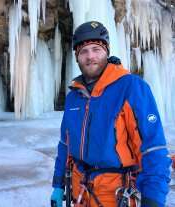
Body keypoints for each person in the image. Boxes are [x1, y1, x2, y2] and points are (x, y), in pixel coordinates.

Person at [50, 21, 171, 207]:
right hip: (80, 194)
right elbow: (65, 145)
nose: (90, 56)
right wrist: (58, 185)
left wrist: (153, 199)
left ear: (106, 52)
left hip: (115, 195)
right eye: (84, 51)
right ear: (77, 57)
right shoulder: (74, 96)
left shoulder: (130, 87)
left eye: (96, 49)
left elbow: (152, 148)